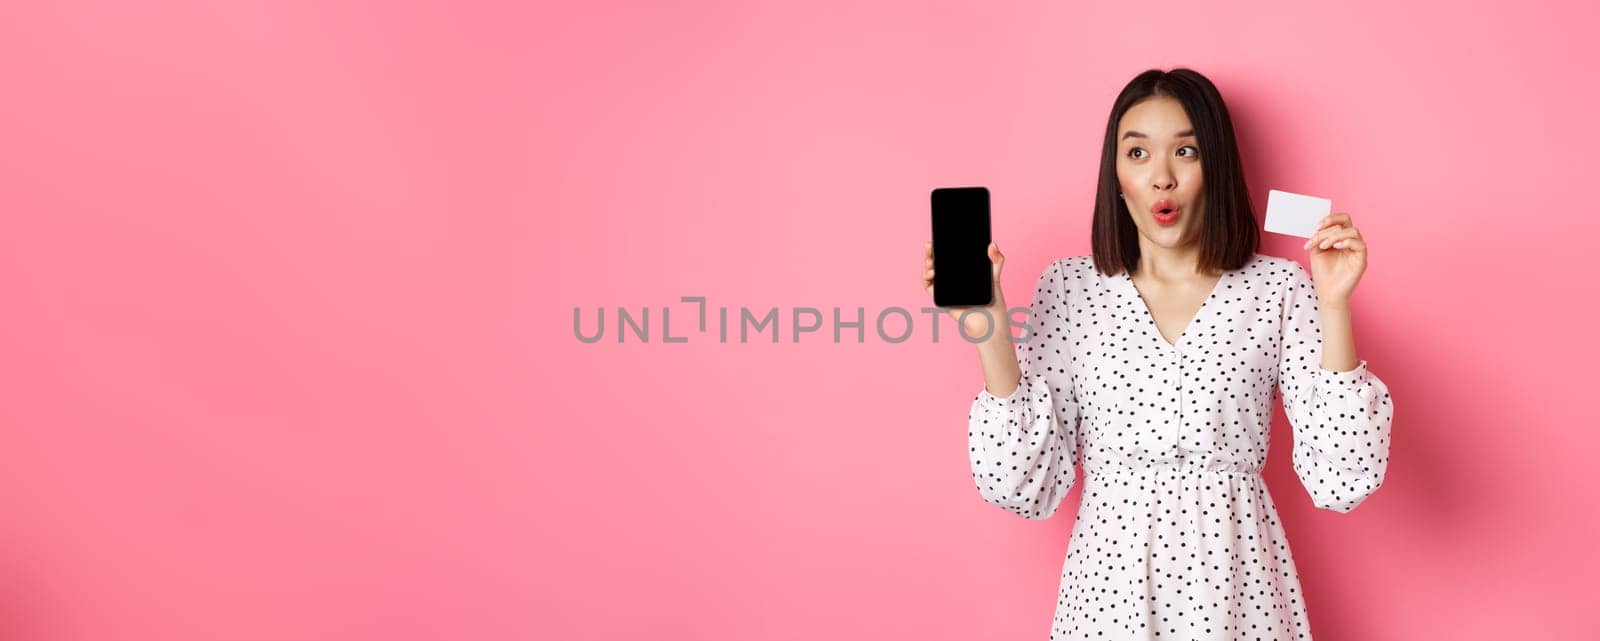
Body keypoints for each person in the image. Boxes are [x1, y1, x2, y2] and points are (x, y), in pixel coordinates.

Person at [920, 68, 1394, 640]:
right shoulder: (1071, 289)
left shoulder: (1279, 288)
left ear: (1214, 167)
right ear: (1115, 175)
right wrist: (989, 328)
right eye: (1138, 152)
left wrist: (1335, 303)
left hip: (1237, 589)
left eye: (1186, 151)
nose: (1161, 178)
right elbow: (1021, 484)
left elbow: (1344, 477)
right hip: (1108, 593)